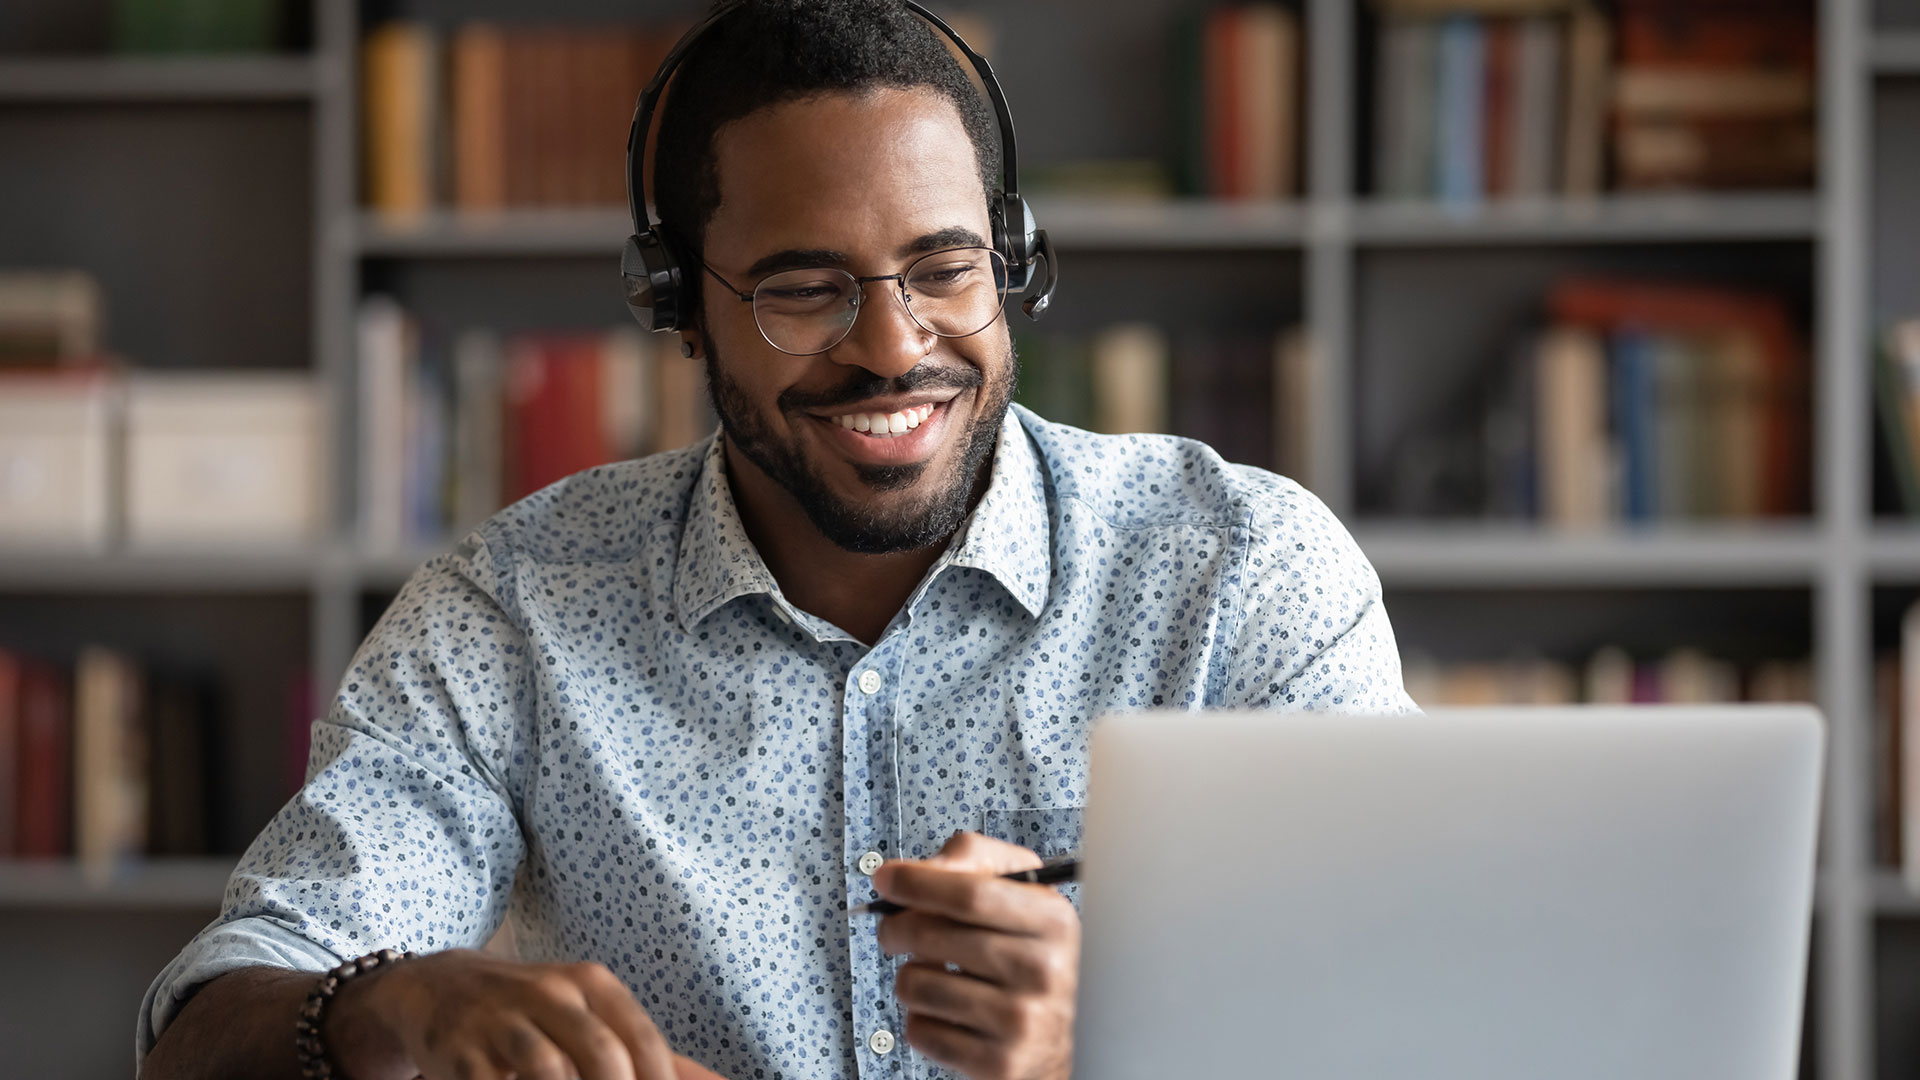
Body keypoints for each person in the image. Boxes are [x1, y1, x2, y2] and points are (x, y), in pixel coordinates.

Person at [138, 2, 1416, 1078]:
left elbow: (1421, 1009)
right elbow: (210, 1016)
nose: (894, 346)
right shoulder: (513, 610)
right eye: (804, 288)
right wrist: (381, 1007)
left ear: (1012, 265)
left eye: (945, 270)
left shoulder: (1244, 572)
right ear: (678, 306)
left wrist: (1124, 1034)